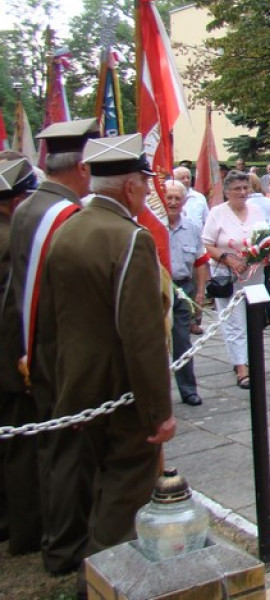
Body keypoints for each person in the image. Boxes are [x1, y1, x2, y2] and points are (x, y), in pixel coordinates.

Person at [40, 133, 175, 561]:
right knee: (125, 487)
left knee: (96, 477)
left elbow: (53, 321)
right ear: (131, 187)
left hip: (78, 383)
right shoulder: (129, 238)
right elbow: (142, 336)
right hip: (121, 390)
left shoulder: (68, 229)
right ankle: (105, 573)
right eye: (143, 184)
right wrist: (159, 412)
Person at [0, 119, 95, 570]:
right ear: (80, 166)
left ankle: (35, 531)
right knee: (65, 450)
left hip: (31, 343)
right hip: (58, 351)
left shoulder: (27, 207)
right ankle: (63, 547)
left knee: (45, 446)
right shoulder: (63, 215)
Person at [0, 157, 37, 553]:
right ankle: (24, 528)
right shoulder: (12, 240)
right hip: (9, 363)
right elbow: (14, 311)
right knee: (20, 448)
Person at [202, 169, 265, 388]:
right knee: (234, 321)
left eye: (245, 187)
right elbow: (208, 244)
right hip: (227, 274)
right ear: (227, 192)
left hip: (254, 274)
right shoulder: (217, 213)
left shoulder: (256, 210)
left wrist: (265, 252)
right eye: (237, 189)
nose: (242, 192)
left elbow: (265, 237)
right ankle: (241, 367)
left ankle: (253, 359)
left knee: (254, 319)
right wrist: (228, 259)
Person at [165, 180, 210, 406]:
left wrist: (200, 292)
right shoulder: (151, 225)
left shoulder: (191, 226)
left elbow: (200, 262)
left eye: (177, 198)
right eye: (168, 197)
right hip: (158, 289)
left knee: (182, 340)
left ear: (184, 201)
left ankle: (188, 389)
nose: (172, 202)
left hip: (183, 288)